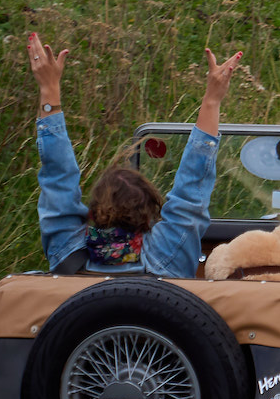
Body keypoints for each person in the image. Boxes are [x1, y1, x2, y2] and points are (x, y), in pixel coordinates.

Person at [27, 31, 242, 277]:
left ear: (92, 214)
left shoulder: (67, 253)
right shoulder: (170, 251)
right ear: (152, 212)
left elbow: (58, 177)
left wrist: (49, 89)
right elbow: (192, 189)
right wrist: (212, 100)